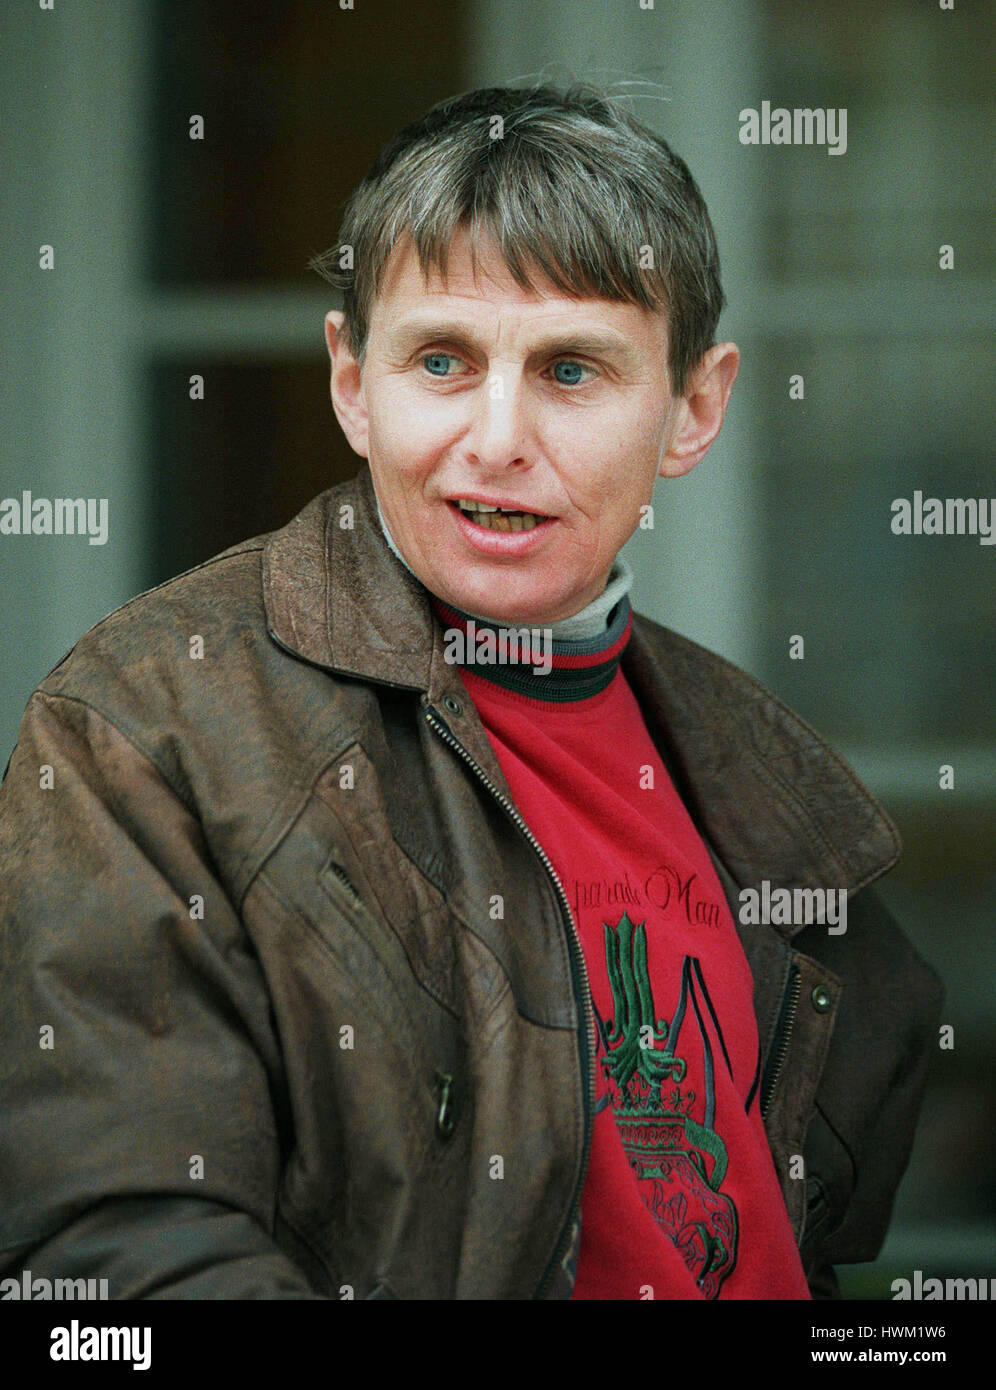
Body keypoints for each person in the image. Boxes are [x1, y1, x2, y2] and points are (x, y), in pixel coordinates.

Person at [0, 83, 941, 1301]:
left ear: (694, 408)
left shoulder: (765, 773)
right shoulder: (144, 726)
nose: (498, 438)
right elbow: (109, 1271)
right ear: (353, 382)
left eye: (571, 370)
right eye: (442, 359)